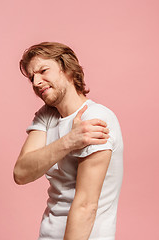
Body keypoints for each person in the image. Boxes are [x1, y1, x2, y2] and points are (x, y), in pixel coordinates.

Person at [13, 42, 123, 240]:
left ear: (68, 69)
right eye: (32, 77)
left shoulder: (96, 117)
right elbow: (21, 173)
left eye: (43, 71)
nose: (36, 82)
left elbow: (86, 206)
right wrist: (69, 141)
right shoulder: (47, 115)